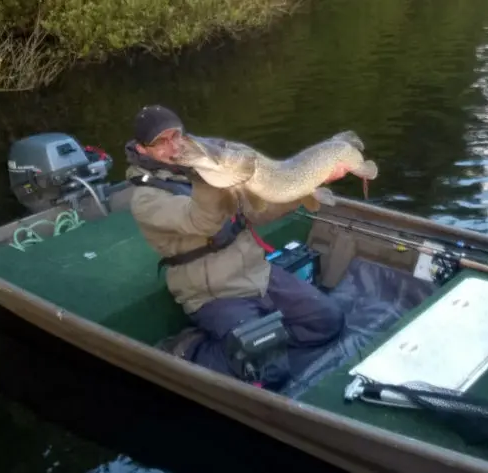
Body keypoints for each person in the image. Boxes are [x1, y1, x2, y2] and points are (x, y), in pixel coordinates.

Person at [124, 104, 346, 387]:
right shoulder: (146, 199)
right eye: (160, 142)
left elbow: (257, 212)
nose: (173, 146)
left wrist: (304, 186)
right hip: (214, 293)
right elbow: (202, 222)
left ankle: (258, 343)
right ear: (143, 150)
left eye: (176, 136)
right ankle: (191, 349)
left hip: (257, 274)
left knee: (329, 322)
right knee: (271, 374)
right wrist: (206, 174)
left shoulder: (211, 170)